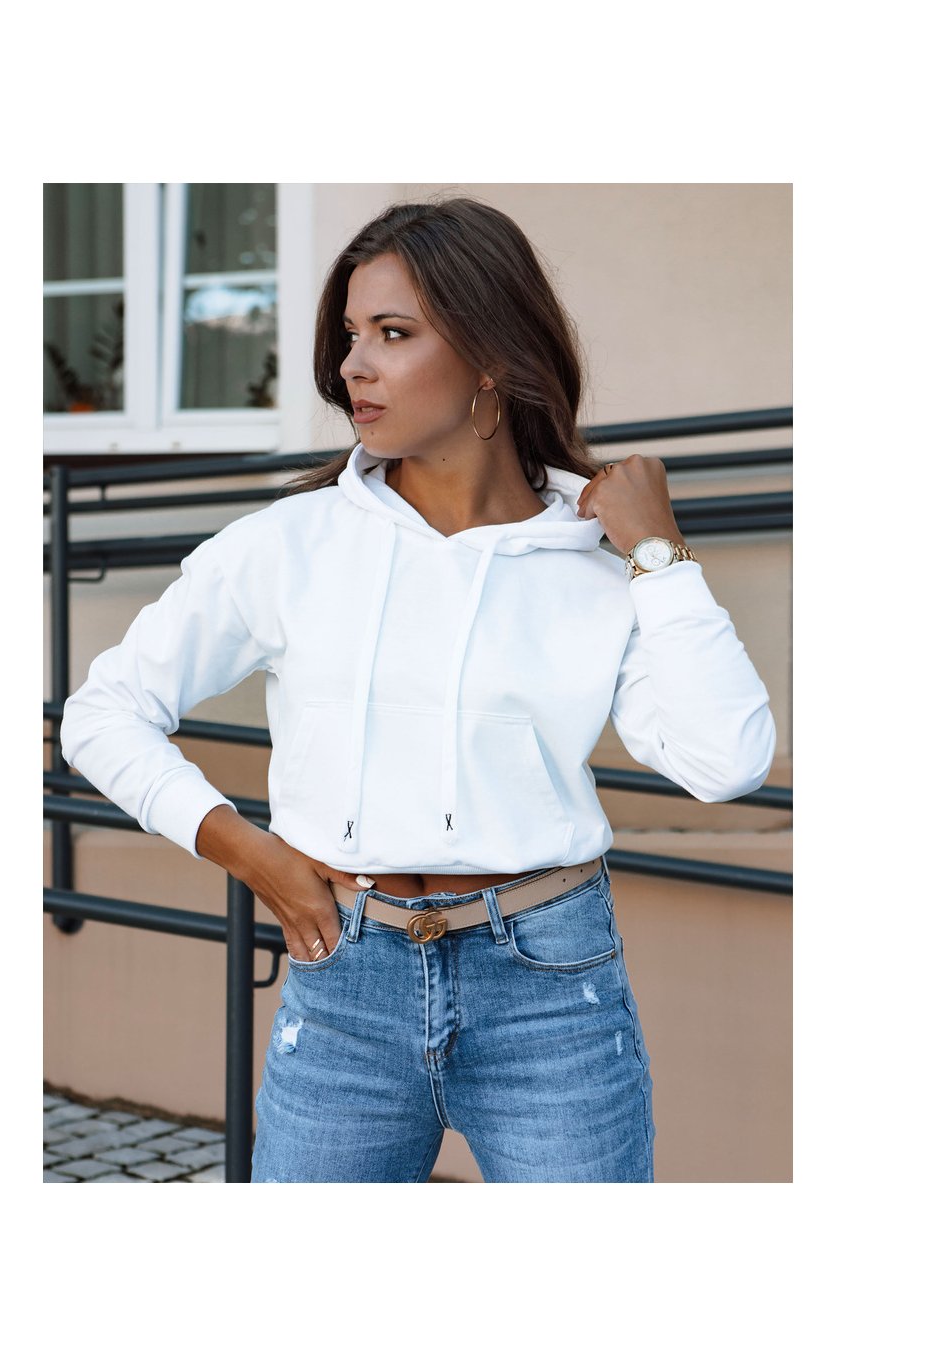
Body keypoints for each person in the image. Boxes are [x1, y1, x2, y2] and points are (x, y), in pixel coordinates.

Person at [60, 196, 776, 1183]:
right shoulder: (291, 544)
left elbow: (726, 761)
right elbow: (103, 714)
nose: (352, 365)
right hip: (343, 982)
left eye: (393, 334)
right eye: (352, 334)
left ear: (490, 356)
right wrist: (250, 853)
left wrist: (659, 554)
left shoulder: (599, 561)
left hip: (550, 990)